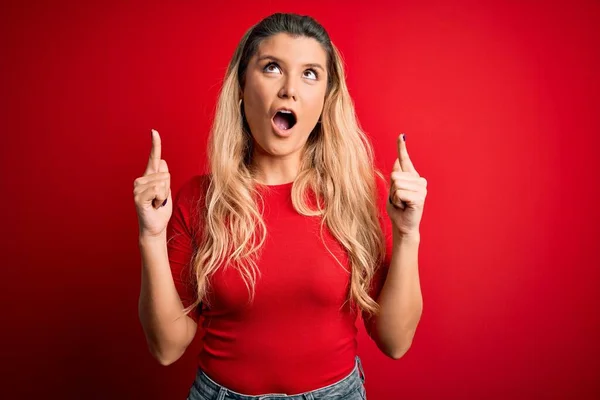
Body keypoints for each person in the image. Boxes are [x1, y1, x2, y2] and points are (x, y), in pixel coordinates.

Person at [134, 12, 427, 400]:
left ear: (325, 99)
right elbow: (167, 348)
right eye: (272, 67)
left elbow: (395, 341)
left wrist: (408, 234)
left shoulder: (358, 197)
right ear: (241, 84)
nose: (290, 89)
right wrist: (151, 236)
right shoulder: (196, 200)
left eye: (310, 74)